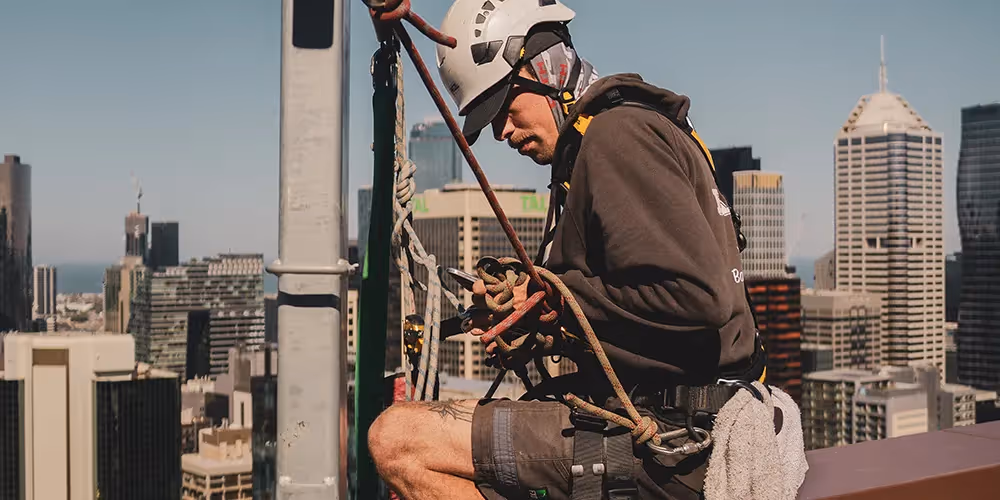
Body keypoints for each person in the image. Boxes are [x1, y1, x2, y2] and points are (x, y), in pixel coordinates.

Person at [367, 0, 766, 498]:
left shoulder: (617, 137)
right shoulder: (622, 135)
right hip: (682, 421)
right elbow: (639, 309)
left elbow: (698, 298)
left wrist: (556, 299)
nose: (501, 132)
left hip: (672, 439)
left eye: (503, 108)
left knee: (397, 439)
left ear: (542, 68)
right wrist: (543, 320)